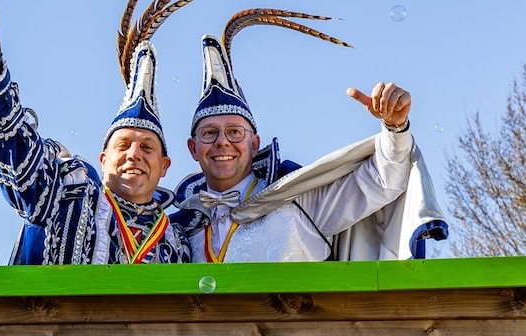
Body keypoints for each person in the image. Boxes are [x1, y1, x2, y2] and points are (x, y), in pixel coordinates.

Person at [172, 27, 444, 263]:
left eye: (234, 132)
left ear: (255, 145)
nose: (222, 142)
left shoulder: (298, 203)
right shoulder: (177, 229)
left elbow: (383, 181)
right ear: (192, 148)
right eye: (209, 133)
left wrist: (394, 128)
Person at [0, 0, 190, 265]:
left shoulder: (176, 242)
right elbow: (13, 148)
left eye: (147, 147)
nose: (134, 154)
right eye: (123, 145)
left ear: (164, 166)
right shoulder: (69, 193)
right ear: (103, 161)